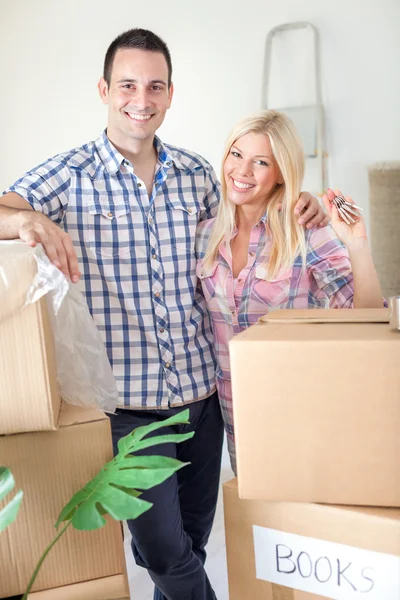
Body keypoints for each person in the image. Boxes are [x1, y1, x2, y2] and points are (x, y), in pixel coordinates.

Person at [0, 30, 327, 600]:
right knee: (165, 554)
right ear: (104, 90)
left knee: (193, 547)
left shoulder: (200, 175)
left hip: (203, 401)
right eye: (127, 85)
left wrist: (309, 203)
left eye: (154, 86)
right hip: (128, 409)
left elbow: (250, 215)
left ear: (170, 94)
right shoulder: (69, 174)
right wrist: (30, 222)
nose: (141, 99)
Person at [195, 110, 384, 474]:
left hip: (300, 403)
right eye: (236, 154)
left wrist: (358, 246)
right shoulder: (205, 235)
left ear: (281, 172)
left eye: (260, 162)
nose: (242, 171)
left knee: (303, 520)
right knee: (256, 520)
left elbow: (368, 319)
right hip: (234, 411)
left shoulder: (306, 232)